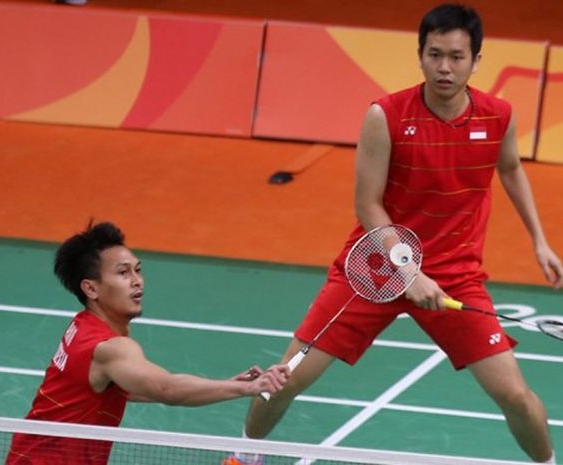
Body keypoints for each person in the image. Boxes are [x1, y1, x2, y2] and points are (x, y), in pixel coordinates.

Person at [224, 4, 561, 465]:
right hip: (374, 267)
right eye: (435, 54)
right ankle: (245, 455)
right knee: (287, 377)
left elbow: (510, 169)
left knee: (517, 397)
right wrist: (409, 271)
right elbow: (367, 205)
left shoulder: (498, 115)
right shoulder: (386, 116)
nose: (445, 67)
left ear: (476, 60)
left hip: (453, 276)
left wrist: (539, 241)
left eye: (457, 57)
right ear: (419, 55)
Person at [5, 221, 290, 465]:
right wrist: (247, 388)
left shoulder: (83, 327)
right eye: (123, 273)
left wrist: (224, 384)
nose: (137, 281)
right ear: (90, 288)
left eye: (137, 270)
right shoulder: (110, 348)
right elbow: (165, 388)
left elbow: (126, 389)